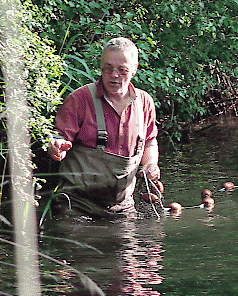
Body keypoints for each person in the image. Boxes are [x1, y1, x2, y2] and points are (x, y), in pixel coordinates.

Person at [47, 37, 160, 216]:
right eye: (108, 68)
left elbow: (149, 142)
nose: (114, 75)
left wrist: (151, 164)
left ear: (134, 70)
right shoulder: (80, 99)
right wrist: (56, 145)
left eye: (122, 70)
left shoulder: (144, 102)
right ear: (101, 67)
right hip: (76, 206)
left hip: (123, 207)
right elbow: (58, 136)